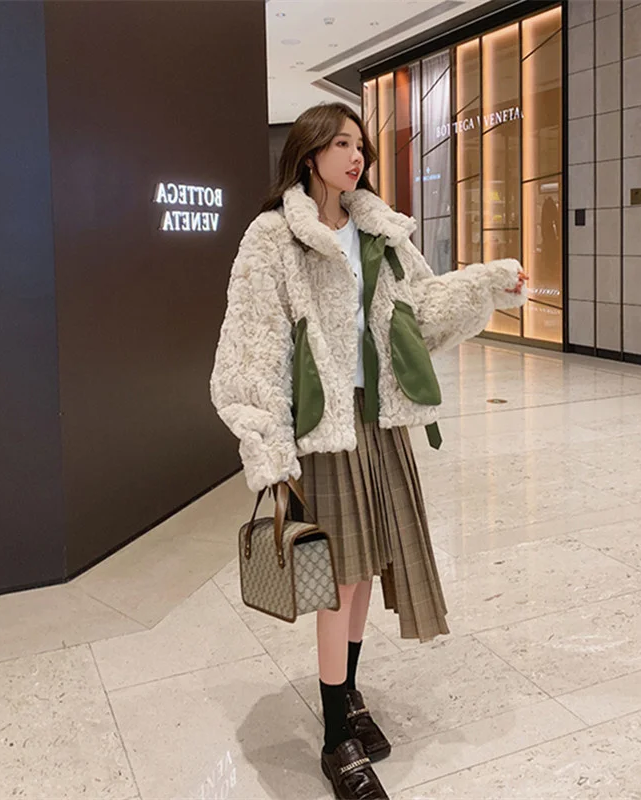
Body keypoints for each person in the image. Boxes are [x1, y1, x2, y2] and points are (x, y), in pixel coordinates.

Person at [210, 103, 527, 800]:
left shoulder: (379, 230)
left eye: (361, 145)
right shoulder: (274, 236)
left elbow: (421, 313)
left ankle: (347, 693)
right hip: (324, 433)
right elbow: (252, 349)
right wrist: (270, 446)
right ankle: (335, 739)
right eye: (342, 144)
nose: (356, 156)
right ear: (309, 154)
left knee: (364, 573)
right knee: (340, 579)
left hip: (379, 422)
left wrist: (485, 284)